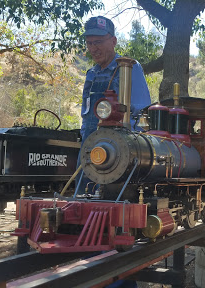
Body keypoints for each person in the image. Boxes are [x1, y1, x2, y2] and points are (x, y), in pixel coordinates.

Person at [76, 16, 151, 195]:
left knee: (112, 194)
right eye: (90, 43)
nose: (93, 48)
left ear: (113, 41)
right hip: (89, 143)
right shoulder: (91, 74)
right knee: (82, 191)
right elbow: (86, 112)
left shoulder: (129, 68)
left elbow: (141, 110)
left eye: (99, 42)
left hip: (119, 145)